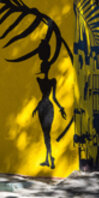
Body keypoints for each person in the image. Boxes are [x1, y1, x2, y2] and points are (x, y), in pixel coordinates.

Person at [34, 39, 66, 169]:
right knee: (46, 134)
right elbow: (53, 97)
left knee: (46, 134)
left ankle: (50, 158)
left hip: (45, 107)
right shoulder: (46, 80)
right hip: (44, 107)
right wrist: (36, 108)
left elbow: (52, 97)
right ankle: (49, 158)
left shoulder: (43, 81)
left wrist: (61, 108)